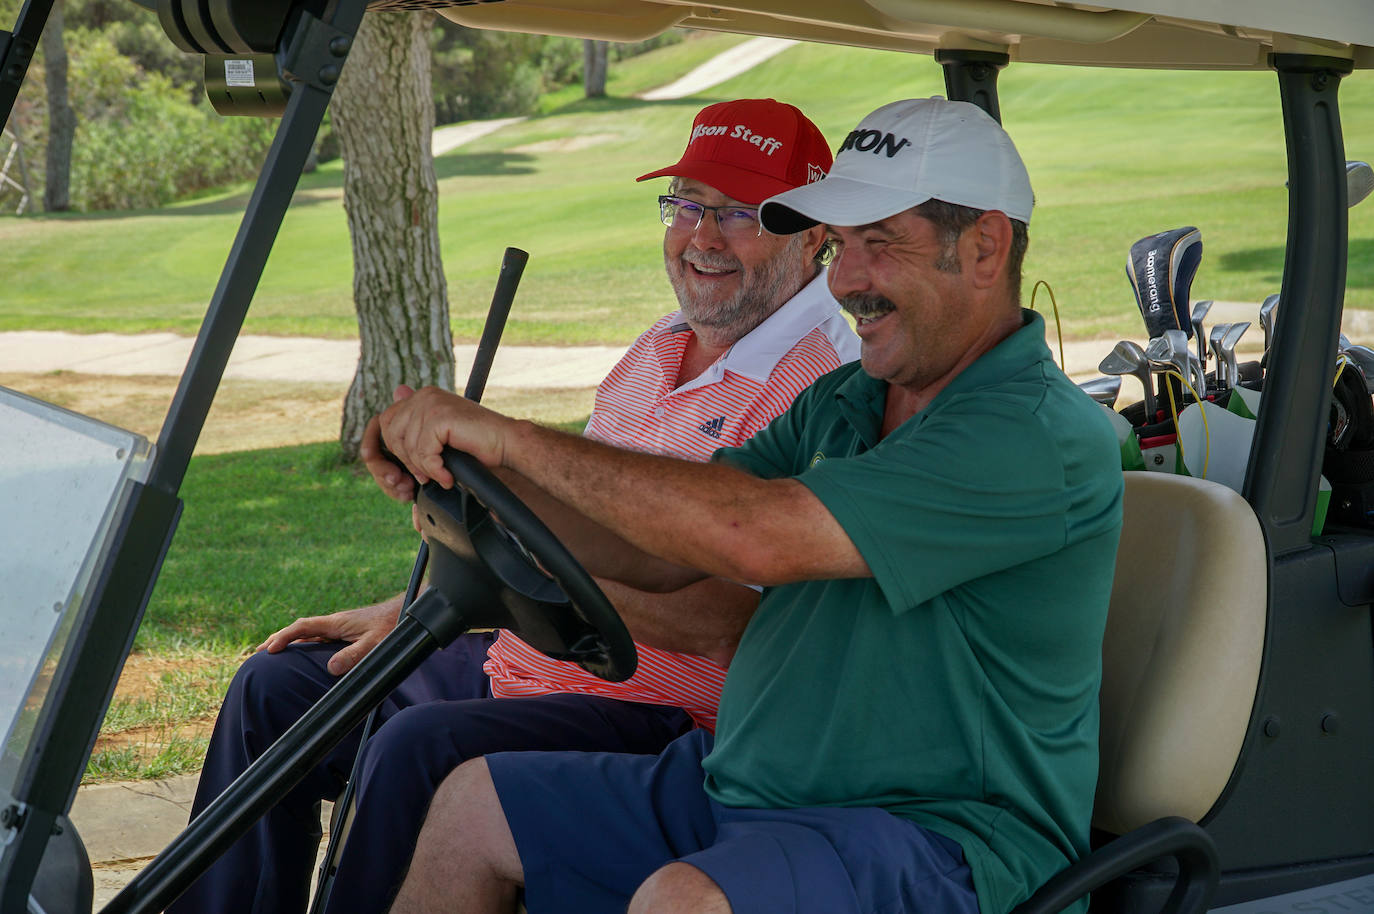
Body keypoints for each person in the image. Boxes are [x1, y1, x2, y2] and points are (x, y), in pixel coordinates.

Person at [369, 97, 1125, 914]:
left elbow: (753, 536)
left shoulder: (1031, 435)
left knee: (684, 900)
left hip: (938, 837)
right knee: (471, 809)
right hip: (747, 790)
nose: (845, 280)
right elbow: (665, 551)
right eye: (840, 245)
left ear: (984, 247)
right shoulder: (848, 400)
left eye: (879, 244)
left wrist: (511, 439)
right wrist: (488, 483)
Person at [168, 98, 857, 914]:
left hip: (664, 714)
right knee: (273, 693)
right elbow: (555, 538)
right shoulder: (657, 347)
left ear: (814, 233)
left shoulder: (823, 388)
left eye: (740, 214)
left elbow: (732, 624)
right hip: (529, 666)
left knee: (413, 747)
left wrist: (510, 584)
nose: (702, 237)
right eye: (687, 206)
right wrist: (420, 607)